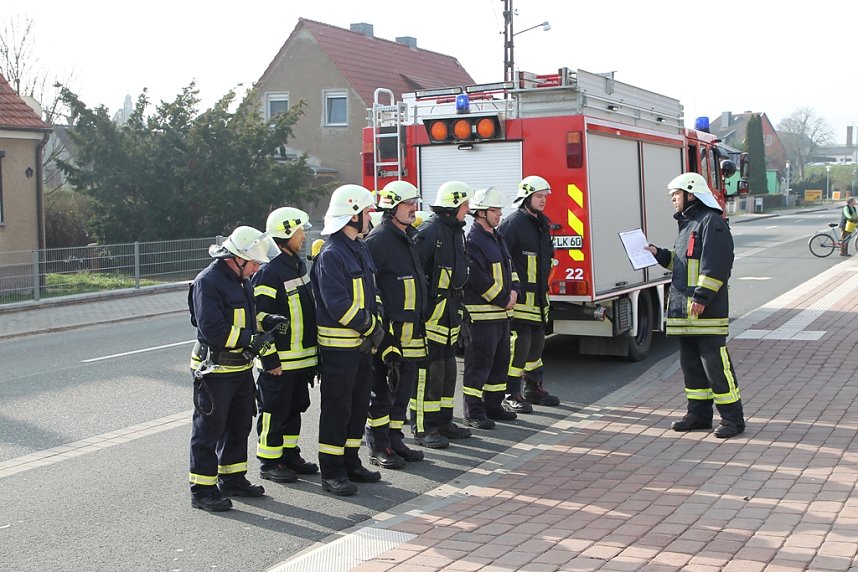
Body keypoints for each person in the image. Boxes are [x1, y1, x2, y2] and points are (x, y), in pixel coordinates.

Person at [645, 172, 745, 439]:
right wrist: (658, 254)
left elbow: (717, 266)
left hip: (705, 312)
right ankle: (699, 415)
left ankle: (733, 419)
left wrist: (701, 298)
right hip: (685, 313)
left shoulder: (712, 223)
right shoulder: (690, 225)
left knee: (716, 366)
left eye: (675, 195)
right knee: (691, 366)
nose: (673, 201)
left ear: (691, 194)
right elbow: (681, 265)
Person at [188, 226, 276, 512]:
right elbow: (213, 329)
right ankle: (202, 490)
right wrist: (251, 338)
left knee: (239, 425)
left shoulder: (241, 280)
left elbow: (245, 317)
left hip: (240, 368)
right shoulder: (208, 282)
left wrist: (266, 321)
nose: (256, 268)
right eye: (253, 263)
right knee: (208, 431)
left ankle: (233, 479)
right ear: (236, 258)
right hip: (215, 371)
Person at [310, 184, 384, 495]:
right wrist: (370, 327)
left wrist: (376, 320)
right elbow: (337, 304)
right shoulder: (331, 254)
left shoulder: (360, 247)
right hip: (339, 350)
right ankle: (332, 471)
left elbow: (373, 292)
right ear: (353, 215)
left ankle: (351, 461)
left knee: (356, 407)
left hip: (361, 348)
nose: (369, 217)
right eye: (366, 212)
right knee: (337, 410)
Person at [252, 207, 319, 484]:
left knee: (294, 408)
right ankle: (270, 461)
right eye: (300, 230)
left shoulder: (296, 264)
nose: (304, 235)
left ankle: (289, 453)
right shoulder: (269, 272)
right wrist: (270, 361)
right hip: (279, 363)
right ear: (286, 233)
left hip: (300, 360)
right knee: (274, 411)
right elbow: (258, 320)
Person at [364, 181, 429, 468]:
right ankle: (378, 445)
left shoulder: (407, 236)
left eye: (414, 202)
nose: (413, 208)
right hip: (390, 334)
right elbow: (371, 289)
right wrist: (382, 332)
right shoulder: (378, 240)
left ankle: (394, 437)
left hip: (412, 330)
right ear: (391, 208)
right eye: (407, 204)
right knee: (383, 390)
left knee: (403, 389)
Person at [412, 180, 474, 448]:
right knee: (430, 372)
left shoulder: (455, 231)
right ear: (454, 206)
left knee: (448, 370)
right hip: (432, 316)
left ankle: (444, 421)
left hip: (450, 313)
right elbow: (416, 273)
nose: (469, 209)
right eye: (465, 204)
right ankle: (424, 427)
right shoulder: (430, 232)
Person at [497, 175, 560, 412]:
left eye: (545, 196)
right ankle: (510, 392)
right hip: (520, 299)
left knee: (536, 346)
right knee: (519, 346)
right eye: (538, 196)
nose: (543, 201)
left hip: (539, 298)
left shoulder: (542, 223)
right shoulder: (513, 223)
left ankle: (533, 388)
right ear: (526, 198)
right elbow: (501, 257)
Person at [462, 188, 520, 428]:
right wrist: (503, 298)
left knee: (499, 362)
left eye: (499, 210)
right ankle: (474, 412)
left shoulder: (497, 236)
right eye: (495, 211)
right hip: (482, 316)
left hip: (502, 315)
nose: (499, 215)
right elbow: (478, 278)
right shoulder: (473, 241)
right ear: (481, 213)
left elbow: (511, 268)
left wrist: (515, 290)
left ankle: (493, 405)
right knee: (479, 365)